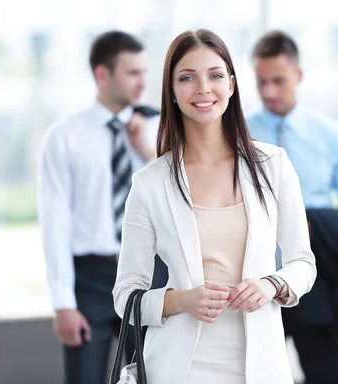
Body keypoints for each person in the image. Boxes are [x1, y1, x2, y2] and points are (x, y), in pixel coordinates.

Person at [112, 29, 317, 384]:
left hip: (261, 364)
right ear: (172, 93)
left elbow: (303, 263)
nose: (203, 88)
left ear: (232, 85)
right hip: (178, 369)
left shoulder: (274, 164)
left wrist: (273, 284)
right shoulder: (149, 183)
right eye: (187, 78)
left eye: (215, 75)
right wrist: (182, 301)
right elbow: (125, 295)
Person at [38, 30, 168, 384]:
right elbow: (54, 221)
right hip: (90, 280)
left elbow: (182, 197)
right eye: (133, 72)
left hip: (149, 275)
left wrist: (147, 150)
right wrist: (63, 303)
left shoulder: (161, 129)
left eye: (144, 71)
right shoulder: (63, 136)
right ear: (102, 74)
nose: (143, 81)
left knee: (153, 377)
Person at [246, 30, 338, 384]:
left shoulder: (332, 137)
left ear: (298, 76)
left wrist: (315, 225)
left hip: (319, 283)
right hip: (252, 282)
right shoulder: (236, 134)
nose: (269, 91)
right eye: (261, 82)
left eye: (278, 81)